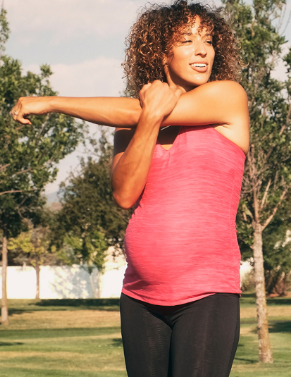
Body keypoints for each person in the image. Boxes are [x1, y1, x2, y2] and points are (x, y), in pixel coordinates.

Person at [11, 1, 249, 376]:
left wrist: (53, 102)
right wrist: (150, 118)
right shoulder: (131, 123)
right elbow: (125, 194)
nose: (202, 49)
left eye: (208, 39)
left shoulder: (228, 97)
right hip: (140, 296)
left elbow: (137, 110)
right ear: (161, 52)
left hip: (207, 293)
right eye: (186, 40)